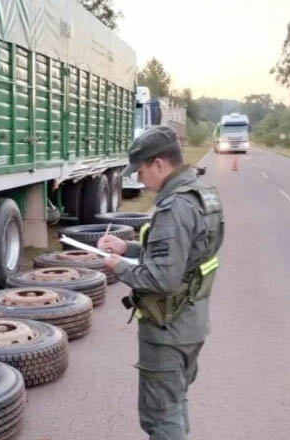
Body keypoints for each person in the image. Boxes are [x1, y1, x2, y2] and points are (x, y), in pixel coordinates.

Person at [98, 126, 224, 440]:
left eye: (140, 171)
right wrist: (128, 249)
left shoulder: (174, 208)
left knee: (161, 416)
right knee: (174, 402)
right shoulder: (201, 196)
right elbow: (185, 255)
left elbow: (163, 277)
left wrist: (120, 268)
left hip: (168, 330)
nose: (139, 180)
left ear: (159, 164)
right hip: (191, 323)